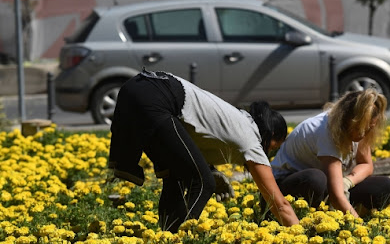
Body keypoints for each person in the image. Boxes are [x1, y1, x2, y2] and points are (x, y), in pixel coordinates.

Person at [108, 68, 300, 232]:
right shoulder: (251, 139)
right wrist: (303, 240)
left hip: (136, 88)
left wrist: (211, 169)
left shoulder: (234, 120)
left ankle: (167, 240)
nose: (273, 152)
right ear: (271, 133)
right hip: (156, 95)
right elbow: (280, 204)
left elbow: (195, 142)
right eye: (277, 145)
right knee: (203, 183)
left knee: (174, 177)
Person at [270, 88, 390, 218]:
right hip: (283, 187)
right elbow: (336, 196)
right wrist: (357, 226)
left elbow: (366, 164)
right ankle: (311, 218)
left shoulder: (362, 127)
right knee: (316, 179)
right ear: (348, 120)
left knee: (385, 186)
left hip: (326, 186)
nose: (363, 134)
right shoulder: (325, 130)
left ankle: (336, 213)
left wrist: (348, 181)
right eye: (359, 129)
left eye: (369, 128)